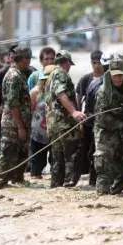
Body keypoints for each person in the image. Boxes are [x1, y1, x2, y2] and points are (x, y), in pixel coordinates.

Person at [94, 59, 123, 195]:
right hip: (105, 135)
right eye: (115, 75)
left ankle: (114, 193)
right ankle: (102, 199)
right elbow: (101, 118)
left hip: (121, 135)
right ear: (110, 75)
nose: (118, 78)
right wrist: (120, 122)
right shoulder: (103, 93)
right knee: (104, 170)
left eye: (120, 75)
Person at [45, 50, 86, 188]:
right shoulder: (60, 73)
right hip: (63, 122)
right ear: (67, 62)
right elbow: (61, 93)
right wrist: (74, 112)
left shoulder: (51, 75)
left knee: (57, 157)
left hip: (54, 123)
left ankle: (56, 185)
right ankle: (68, 184)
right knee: (71, 153)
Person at [0, 47, 34, 189]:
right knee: (8, 151)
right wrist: (20, 126)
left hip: (19, 122)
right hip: (13, 123)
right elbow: (13, 103)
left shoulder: (18, 74)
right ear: (23, 59)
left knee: (21, 152)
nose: (29, 62)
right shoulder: (14, 76)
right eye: (28, 59)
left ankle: (17, 178)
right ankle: (2, 181)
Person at [29, 65, 54, 179]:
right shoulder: (35, 92)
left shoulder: (58, 91)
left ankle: (55, 175)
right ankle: (36, 174)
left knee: (55, 156)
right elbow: (30, 109)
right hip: (38, 129)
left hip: (54, 129)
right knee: (37, 155)